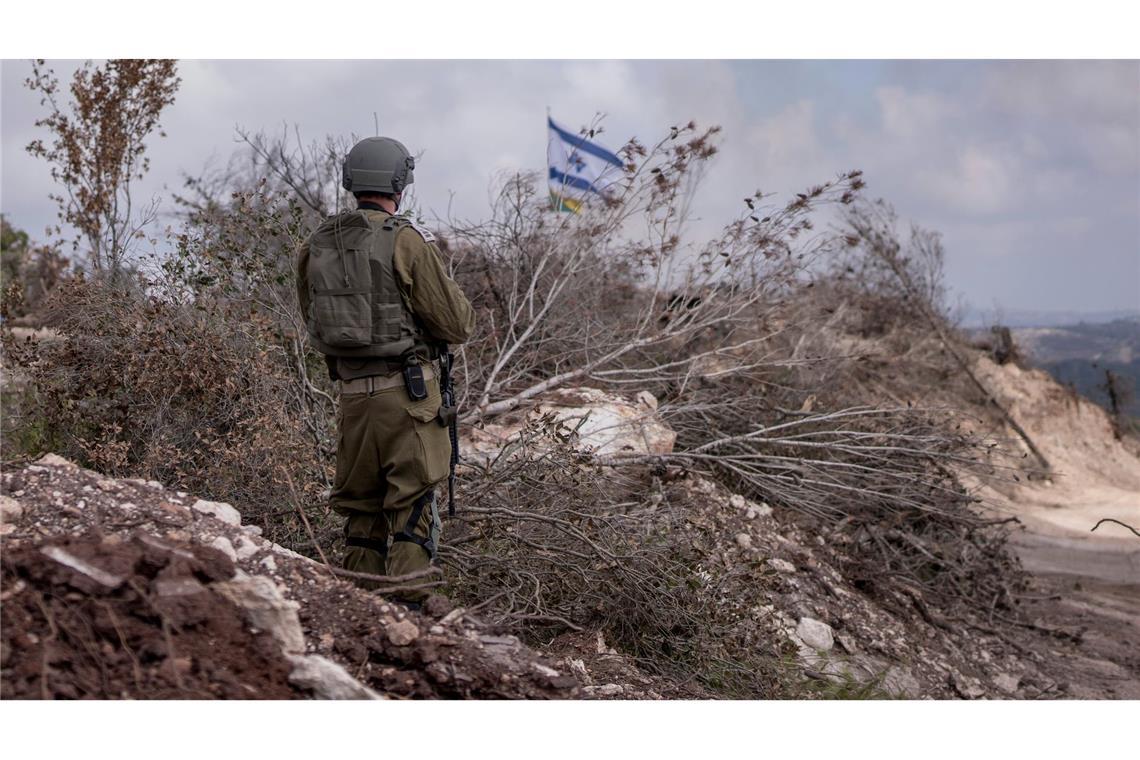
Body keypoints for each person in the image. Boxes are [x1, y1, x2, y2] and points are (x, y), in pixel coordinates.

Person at [295, 136, 475, 603]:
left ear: (351, 181)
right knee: (412, 505)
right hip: (410, 400)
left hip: (353, 400)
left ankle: (360, 614)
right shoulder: (406, 240)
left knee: (361, 512)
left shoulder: (315, 244)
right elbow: (456, 324)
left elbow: (311, 316)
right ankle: (406, 617)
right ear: (399, 183)